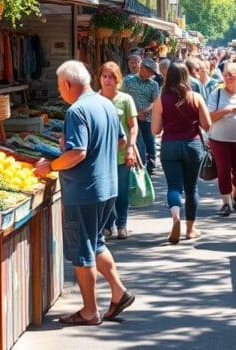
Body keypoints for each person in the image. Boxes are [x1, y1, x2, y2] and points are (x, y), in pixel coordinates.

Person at [34, 60, 134, 325]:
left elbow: (78, 153)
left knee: (82, 252)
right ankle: (119, 292)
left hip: (84, 190)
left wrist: (51, 166)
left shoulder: (77, 111)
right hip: (107, 186)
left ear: (68, 84)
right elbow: (120, 140)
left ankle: (90, 311)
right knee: (96, 242)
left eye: (60, 87)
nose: (60, 93)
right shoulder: (106, 104)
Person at [151, 62, 212, 243]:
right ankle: (190, 230)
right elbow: (207, 125)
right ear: (186, 76)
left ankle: (176, 215)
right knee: (191, 188)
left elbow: (155, 130)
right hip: (192, 145)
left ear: (168, 76)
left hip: (170, 145)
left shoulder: (160, 100)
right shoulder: (196, 97)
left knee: (174, 187)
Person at [98, 62, 139, 240]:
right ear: (99, 78)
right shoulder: (94, 99)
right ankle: (107, 225)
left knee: (121, 191)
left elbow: (133, 126)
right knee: (105, 192)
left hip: (121, 154)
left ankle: (122, 224)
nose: (108, 80)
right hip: (100, 156)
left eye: (112, 77)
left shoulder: (125, 99)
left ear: (118, 80)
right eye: (105, 76)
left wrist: (131, 148)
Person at [207, 62, 236, 216]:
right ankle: (226, 203)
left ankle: (235, 194)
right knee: (223, 170)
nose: (227, 78)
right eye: (225, 75)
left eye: (231, 75)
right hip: (219, 139)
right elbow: (209, 117)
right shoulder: (216, 93)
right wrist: (226, 110)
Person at [122, 57, 161, 173]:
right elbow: (122, 97)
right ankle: (136, 163)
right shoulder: (128, 81)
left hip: (147, 117)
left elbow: (155, 101)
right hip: (131, 117)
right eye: (150, 72)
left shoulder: (153, 84)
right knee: (134, 141)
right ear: (142, 69)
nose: (151, 75)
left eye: (152, 73)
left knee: (150, 141)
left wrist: (146, 110)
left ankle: (151, 164)